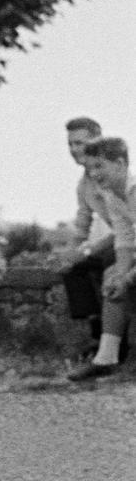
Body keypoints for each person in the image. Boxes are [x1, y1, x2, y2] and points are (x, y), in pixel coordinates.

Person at [68, 137, 135, 382]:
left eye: (99, 166)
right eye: (90, 168)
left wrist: (127, 278)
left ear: (119, 163)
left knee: (122, 280)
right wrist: (121, 273)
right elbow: (126, 240)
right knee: (112, 276)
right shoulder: (112, 194)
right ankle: (106, 358)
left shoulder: (134, 189)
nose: (94, 174)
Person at [58, 116, 119, 358]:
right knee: (74, 269)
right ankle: (96, 334)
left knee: (110, 262)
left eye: (80, 143)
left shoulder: (114, 172)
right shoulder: (84, 185)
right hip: (119, 240)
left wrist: (88, 250)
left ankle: (117, 346)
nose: (74, 150)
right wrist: (70, 255)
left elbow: (126, 227)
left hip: (128, 240)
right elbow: (82, 226)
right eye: (70, 145)